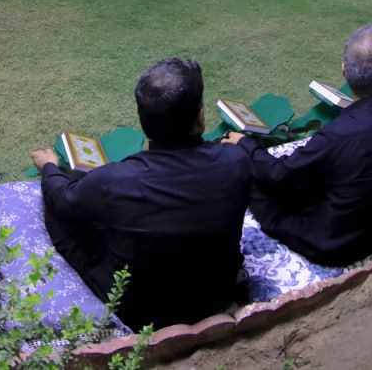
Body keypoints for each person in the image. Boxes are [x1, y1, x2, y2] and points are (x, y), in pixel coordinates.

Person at [32, 59, 253, 330]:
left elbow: (61, 197)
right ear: (200, 117)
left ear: (142, 118)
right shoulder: (236, 160)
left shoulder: (115, 181)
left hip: (144, 314)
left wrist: (49, 167)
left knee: (63, 216)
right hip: (217, 294)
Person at [230, 25, 372, 266]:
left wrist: (245, 145)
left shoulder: (339, 135)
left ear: (344, 70)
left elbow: (280, 177)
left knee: (254, 182)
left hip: (339, 244)